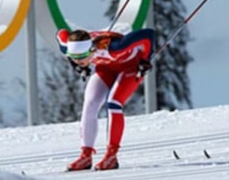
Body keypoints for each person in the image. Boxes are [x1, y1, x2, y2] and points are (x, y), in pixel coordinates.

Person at [56, 27, 155, 171]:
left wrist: (145, 59)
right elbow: (61, 33)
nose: (79, 61)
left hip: (130, 67)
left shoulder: (114, 48)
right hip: (105, 68)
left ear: (91, 50)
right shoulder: (68, 47)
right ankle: (85, 155)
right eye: (74, 58)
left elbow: (147, 34)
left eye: (82, 57)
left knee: (113, 103)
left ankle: (111, 156)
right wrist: (75, 64)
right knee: (90, 104)